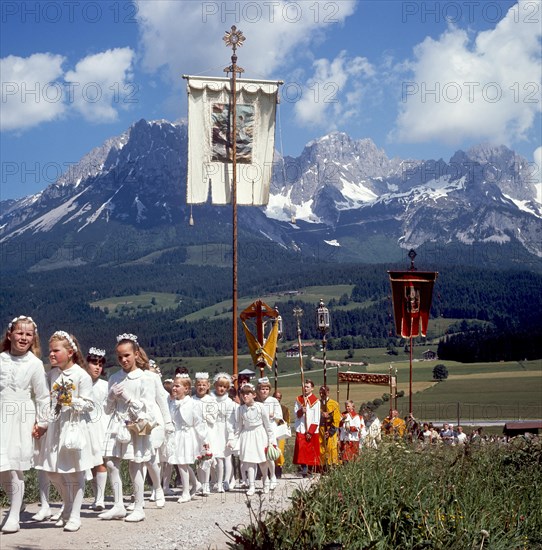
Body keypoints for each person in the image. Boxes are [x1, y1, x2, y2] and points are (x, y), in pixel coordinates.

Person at [34, 331, 102, 532]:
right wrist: (42, 422)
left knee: (75, 472)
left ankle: (74, 515)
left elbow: (90, 405)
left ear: (70, 352)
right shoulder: (52, 374)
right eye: (50, 351)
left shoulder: (81, 376)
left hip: (74, 428)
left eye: (56, 351)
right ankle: (68, 504)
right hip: (55, 427)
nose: (51, 355)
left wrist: (71, 402)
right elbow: (46, 401)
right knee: (52, 471)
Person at [99, 333, 156, 523]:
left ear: (136, 354)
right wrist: (111, 396)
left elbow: (146, 408)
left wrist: (127, 399)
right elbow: (107, 410)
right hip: (117, 424)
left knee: (135, 465)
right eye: (120, 356)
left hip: (134, 425)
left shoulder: (145, 378)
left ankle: (139, 506)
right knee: (111, 463)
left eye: (127, 355)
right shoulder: (114, 377)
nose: (123, 360)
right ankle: (118, 505)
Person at [0, 315, 49, 534]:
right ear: (10, 334)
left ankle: (13, 516)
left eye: (28, 334)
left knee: (12, 466)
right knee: (1, 468)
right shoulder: (1, 359)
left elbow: (42, 396)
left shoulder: (35, 364)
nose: (23, 337)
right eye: (20, 333)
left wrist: (43, 421)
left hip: (20, 417)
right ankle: (16, 501)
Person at [227, 383, 277, 496]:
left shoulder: (260, 407)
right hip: (247, 436)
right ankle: (252, 485)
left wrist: (271, 441)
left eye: (248, 394)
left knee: (262, 462)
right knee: (249, 462)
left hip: (260, 435)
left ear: (254, 395)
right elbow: (239, 427)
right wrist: (234, 440)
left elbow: (268, 426)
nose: (245, 396)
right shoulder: (240, 409)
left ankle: (265, 480)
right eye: (243, 394)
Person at [168, 374, 208, 503]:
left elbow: (199, 423)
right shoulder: (172, 403)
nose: (174, 388)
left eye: (177, 386)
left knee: (182, 462)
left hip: (187, 435)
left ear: (186, 389)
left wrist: (204, 441)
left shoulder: (192, 403)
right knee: (180, 461)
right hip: (176, 434)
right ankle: (196, 483)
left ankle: (185, 491)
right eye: (173, 385)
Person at [85, 347, 110, 512]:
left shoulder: (105, 385)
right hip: (84, 425)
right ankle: (95, 496)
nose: (97, 367)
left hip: (101, 425)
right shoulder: (80, 382)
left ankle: (100, 498)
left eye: (100, 364)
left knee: (100, 461)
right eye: (94, 363)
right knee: (90, 463)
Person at [256, 377, 283, 492]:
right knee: (260, 456)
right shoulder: (256, 401)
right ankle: (264, 477)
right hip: (259, 430)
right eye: (262, 389)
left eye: (266, 389)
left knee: (269, 454)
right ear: (258, 390)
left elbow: (280, 415)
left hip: (270, 429)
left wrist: (273, 415)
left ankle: (272, 475)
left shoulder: (273, 401)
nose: (264, 391)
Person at [192, 372, 217, 495]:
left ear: (208, 386)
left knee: (206, 457)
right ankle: (200, 483)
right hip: (195, 432)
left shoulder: (211, 400)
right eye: (199, 385)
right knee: (198, 458)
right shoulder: (191, 400)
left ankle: (207, 484)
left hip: (207, 431)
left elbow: (213, 418)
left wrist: (203, 414)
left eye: (203, 385)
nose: (201, 387)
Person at [211, 372, 236, 492]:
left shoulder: (229, 402)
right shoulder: (210, 399)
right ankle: (214, 480)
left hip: (224, 430)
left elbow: (231, 421)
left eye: (225, 387)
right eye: (220, 386)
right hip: (213, 429)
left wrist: (231, 436)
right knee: (213, 458)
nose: (222, 389)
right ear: (215, 385)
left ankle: (226, 481)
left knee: (226, 457)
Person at [293, 379, 320, 477]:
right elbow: (295, 414)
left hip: (311, 429)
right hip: (301, 428)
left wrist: (311, 431)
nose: (305, 388)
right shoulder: (299, 400)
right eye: (304, 386)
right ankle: (303, 468)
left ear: (312, 388)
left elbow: (316, 418)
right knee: (302, 449)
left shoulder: (316, 401)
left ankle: (310, 470)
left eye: (308, 387)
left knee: (311, 450)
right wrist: (301, 411)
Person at [318, 385, 341, 470]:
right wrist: (321, 414)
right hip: (320, 429)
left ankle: (332, 466)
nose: (321, 394)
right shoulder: (317, 404)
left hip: (330, 429)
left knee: (332, 448)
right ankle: (322, 466)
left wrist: (330, 431)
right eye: (320, 392)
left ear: (327, 392)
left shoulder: (334, 404)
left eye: (323, 392)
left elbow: (336, 419)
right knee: (321, 448)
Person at [272, 390, 290, 478]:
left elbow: (286, 421)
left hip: (280, 432)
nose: (277, 399)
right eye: (275, 397)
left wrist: (280, 421)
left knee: (279, 451)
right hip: (271, 431)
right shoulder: (269, 407)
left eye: (279, 398)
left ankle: (278, 470)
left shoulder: (284, 409)